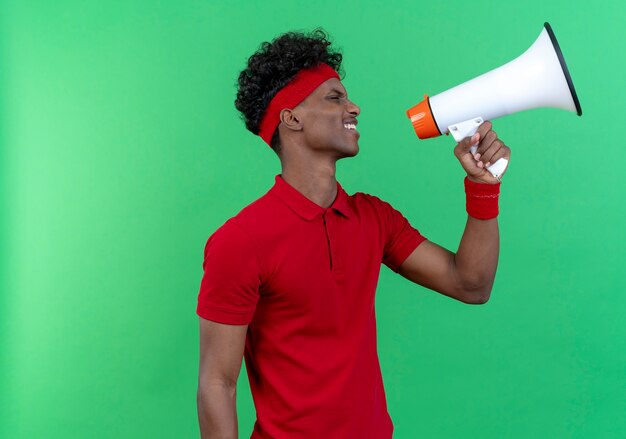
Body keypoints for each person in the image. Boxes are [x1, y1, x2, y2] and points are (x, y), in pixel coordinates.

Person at [196, 28, 510, 439]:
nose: (354, 107)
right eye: (334, 97)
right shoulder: (240, 241)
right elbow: (217, 383)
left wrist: (484, 188)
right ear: (291, 118)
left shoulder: (373, 218)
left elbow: (471, 285)